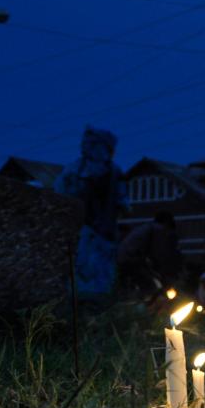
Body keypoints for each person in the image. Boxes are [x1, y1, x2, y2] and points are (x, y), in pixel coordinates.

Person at [55, 127, 127, 296]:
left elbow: (122, 202)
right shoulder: (74, 171)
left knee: (100, 276)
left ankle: (95, 305)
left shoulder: (114, 172)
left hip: (104, 234)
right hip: (81, 232)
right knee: (80, 271)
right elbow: (60, 196)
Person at [117, 211, 182, 299]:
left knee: (149, 283)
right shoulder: (157, 229)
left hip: (125, 260)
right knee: (151, 287)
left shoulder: (146, 228)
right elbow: (158, 255)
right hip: (130, 261)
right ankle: (141, 307)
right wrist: (165, 276)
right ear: (166, 224)